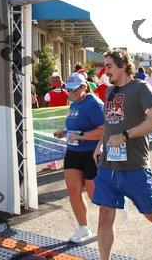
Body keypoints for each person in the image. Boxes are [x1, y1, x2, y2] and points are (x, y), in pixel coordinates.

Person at [92, 49, 152, 260]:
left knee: (151, 214)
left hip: (135, 166)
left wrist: (124, 136)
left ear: (123, 66)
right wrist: (100, 145)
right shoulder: (109, 92)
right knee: (105, 216)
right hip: (108, 166)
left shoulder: (141, 88)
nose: (105, 71)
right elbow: (110, 124)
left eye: (109, 66)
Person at [53, 73, 104, 243]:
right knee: (73, 191)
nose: (72, 93)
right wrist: (65, 132)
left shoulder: (93, 103)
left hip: (91, 154)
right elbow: (76, 127)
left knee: (95, 195)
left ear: (84, 86)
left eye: (75, 89)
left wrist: (81, 136)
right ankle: (83, 228)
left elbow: (105, 129)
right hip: (73, 153)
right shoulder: (74, 103)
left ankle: (105, 227)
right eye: (69, 89)